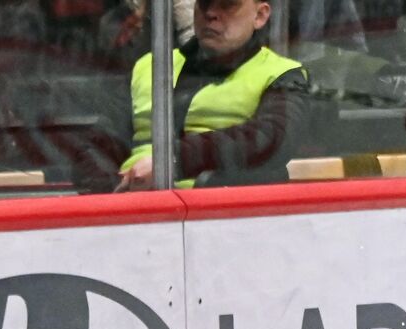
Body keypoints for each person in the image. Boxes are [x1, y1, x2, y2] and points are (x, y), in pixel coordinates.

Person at [116, 0, 312, 190]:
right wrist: (105, 184)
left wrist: (172, 162)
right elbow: (103, 135)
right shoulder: (149, 64)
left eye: (228, 4)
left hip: (217, 210)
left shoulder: (281, 74)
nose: (210, 13)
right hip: (125, 204)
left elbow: (271, 139)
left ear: (260, 15)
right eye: (204, 3)